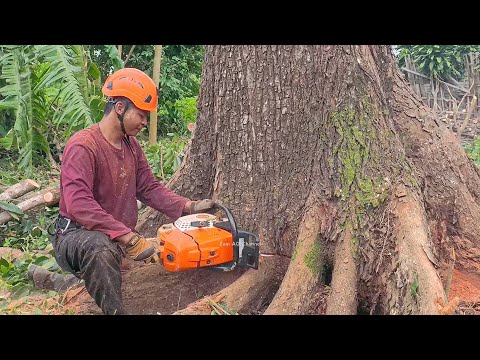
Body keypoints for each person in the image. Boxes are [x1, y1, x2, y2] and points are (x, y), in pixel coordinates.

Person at [45, 67, 214, 315]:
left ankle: (67, 282)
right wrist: (127, 237)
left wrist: (187, 207)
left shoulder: (131, 146)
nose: (145, 122)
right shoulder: (83, 146)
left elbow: (148, 188)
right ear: (120, 108)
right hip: (75, 235)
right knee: (99, 247)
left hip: (113, 237)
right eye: (142, 115)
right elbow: (79, 204)